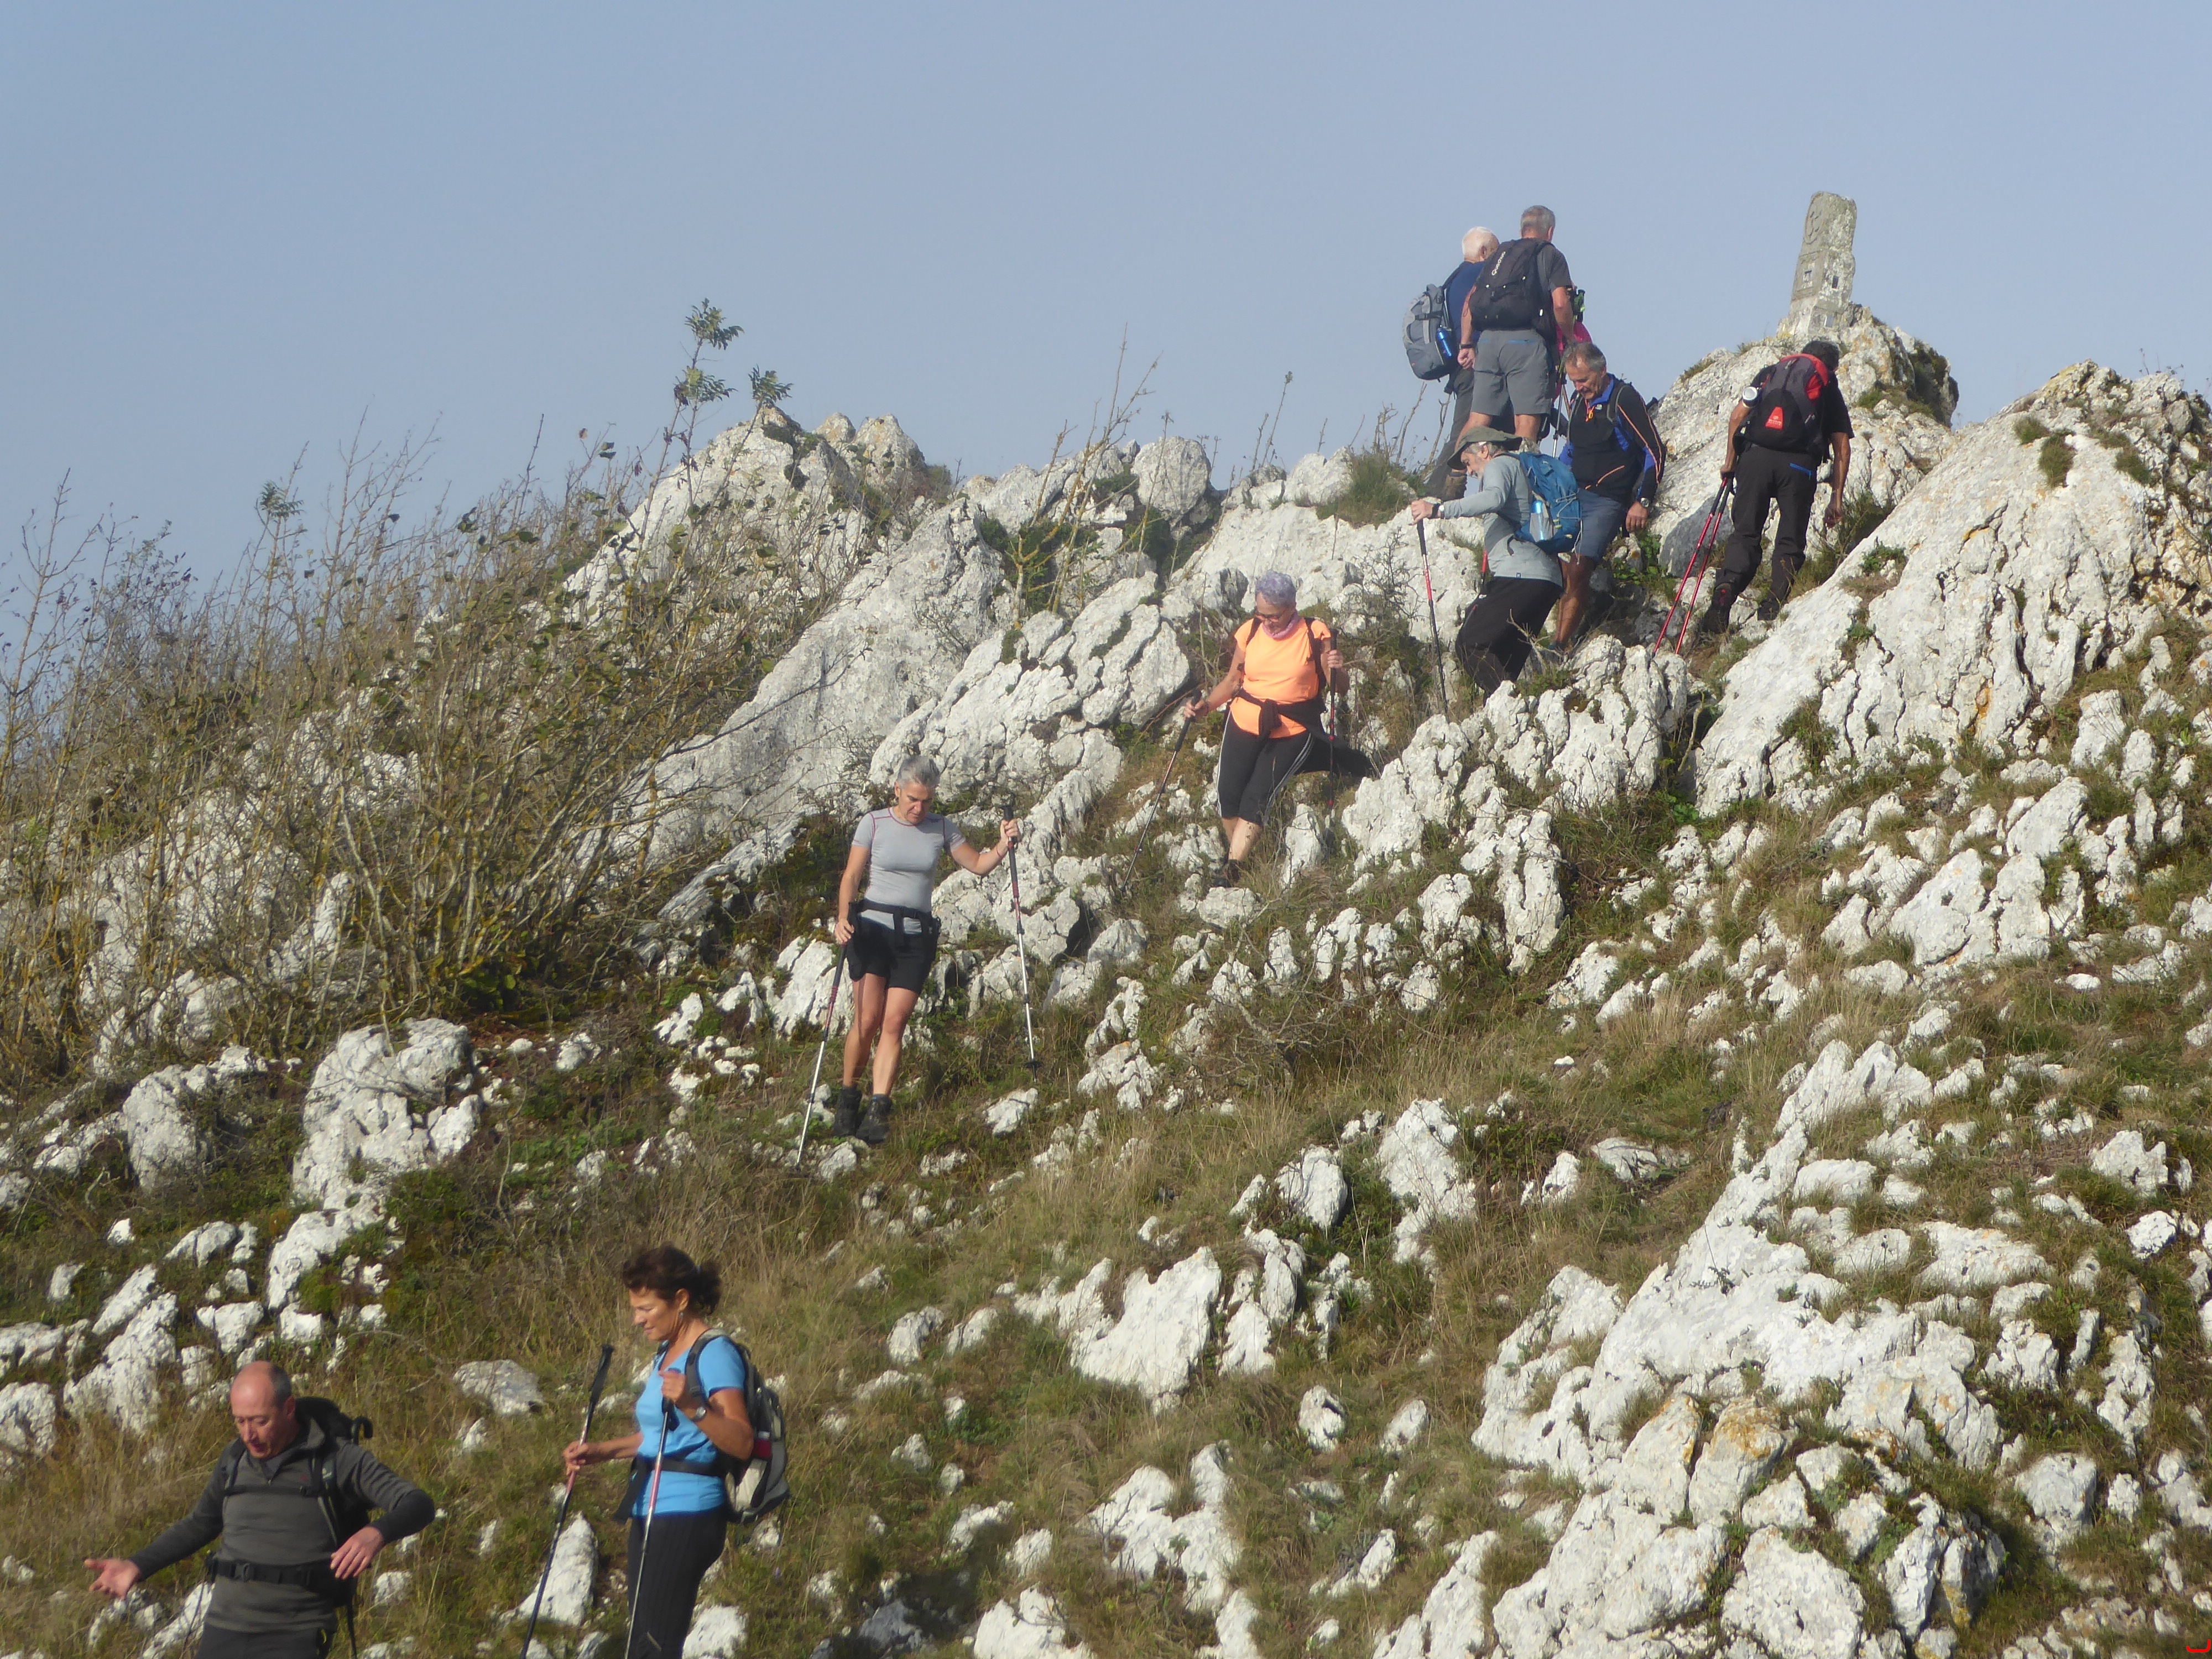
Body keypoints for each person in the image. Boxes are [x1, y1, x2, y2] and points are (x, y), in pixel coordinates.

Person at [85, 1361, 434, 1659]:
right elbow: (200, 1524)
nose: (248, 1435)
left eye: (259, 1421)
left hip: (296, 1632)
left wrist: (376, 1534)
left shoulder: (336, 1460)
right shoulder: (233, 1461)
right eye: (239, 1421)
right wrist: (137, 1565)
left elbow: (418, 1503)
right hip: (224, 1627)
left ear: (289, 1408)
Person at [564, 1247, 749, 1659]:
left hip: (687, 1514)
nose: (637, 1319)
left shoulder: (715, 1353)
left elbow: (741, 1441)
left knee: (652, 1649)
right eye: (635, 1308)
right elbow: (660, 1436)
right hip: (649, 1508)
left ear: (681, 1300)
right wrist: (601, 1451)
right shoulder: (668, 1353)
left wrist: (693, 1406)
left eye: (646, 1308)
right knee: (644, 1642)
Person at [831, 756, 1019, 1145]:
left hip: (915, 939)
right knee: (867, 1020)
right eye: (913, 799)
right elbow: (852, 875)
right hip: (871, 931)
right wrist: (842, 917)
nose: (919, 808)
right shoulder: (874, 823)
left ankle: (878, 1110)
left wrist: (1004, 844)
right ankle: (848, 1097)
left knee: (895, 1023)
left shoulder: (942, 827)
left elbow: (978, 865)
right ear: (897, 790)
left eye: (927, 801)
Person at [1183, 572, 1348, 886]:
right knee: (1228, 795)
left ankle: (1233, 869)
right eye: (1261, 614)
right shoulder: (1250, 631)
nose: (1268, 622)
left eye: (1274, 616)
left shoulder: (1314, 633)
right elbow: (1233, 680)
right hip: (1244, 719)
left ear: (1292, 607)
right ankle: (1241, 857)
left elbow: (1338, 687)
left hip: (1293, 727)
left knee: (1257, 796)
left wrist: (1337, 670)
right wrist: (1206, 707)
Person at [1700, 337, 1854, 636]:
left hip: (1755, 458)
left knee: (1745, 533)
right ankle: (1772, 607)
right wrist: (1837, 498)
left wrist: (1731, 462)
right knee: (1789, 539)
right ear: (1832, 368)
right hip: (1798, 466)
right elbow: (1842, 446)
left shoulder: (1771, 373)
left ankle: (1726, 590)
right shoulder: (1827, 386)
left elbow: (1737, 416)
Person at [1409, 430, 1562, 695]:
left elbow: (1494, 498)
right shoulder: (1517, 469)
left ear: (1484, 450)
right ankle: (1511, 710)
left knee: (1470, 644)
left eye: (1468, 463)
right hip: (1545, 581)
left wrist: (1439, 510)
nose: (1469, 472)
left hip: (1521, 576)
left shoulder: (1499, 464)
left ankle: (1511, 705)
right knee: (1501, 661)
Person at [1553, 342, 1666, 647]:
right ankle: (1585, 599)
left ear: (1602, 370)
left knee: (1579, 569)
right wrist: (1551, 481)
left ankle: (1559, 644)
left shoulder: (1623, 399)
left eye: (1584, 380)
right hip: (1572, 494)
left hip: (1607, 500)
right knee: (1537, 550)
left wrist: (1643, 501)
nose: (1579, 387)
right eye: (1573, 381)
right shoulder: (1579, 401)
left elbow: (1654, 450)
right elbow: (1572, 449)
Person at [1459, 205, 1578, 447]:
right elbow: (1560, 304)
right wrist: (1570, 338)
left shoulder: (1500, 254)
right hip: (1526, 344)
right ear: (1550, 231)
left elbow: (1470, 301)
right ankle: (1520, 471)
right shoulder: (1551, 255)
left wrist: (1466, 344)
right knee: (1526, 422)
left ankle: (1457, 468)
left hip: (1488, 342)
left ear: (1522, 229)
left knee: (1478, 420)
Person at [1423, 226, 1501, 495]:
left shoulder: (1454, 280)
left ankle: (1441, 490)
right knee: (1466, 429)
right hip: (1475, 362)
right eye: (1496, 252)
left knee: (1468, 426)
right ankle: (1437, 491)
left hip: (1460, 366)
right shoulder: (1482, 274)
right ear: (1484, 252)